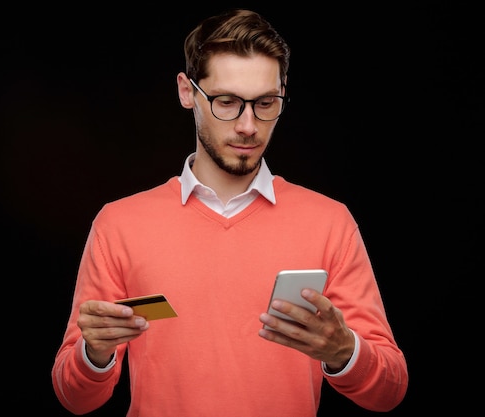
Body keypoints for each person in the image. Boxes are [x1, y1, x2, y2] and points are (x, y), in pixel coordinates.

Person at [51, 8, 408, 417]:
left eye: (266, 103)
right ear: (187, 93)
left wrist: (345, 352)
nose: (248, 125)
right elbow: (74, 397)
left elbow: (389, 391)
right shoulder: (119, 224)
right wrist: (94, 353)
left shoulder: (331, 222)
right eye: (227, 102)